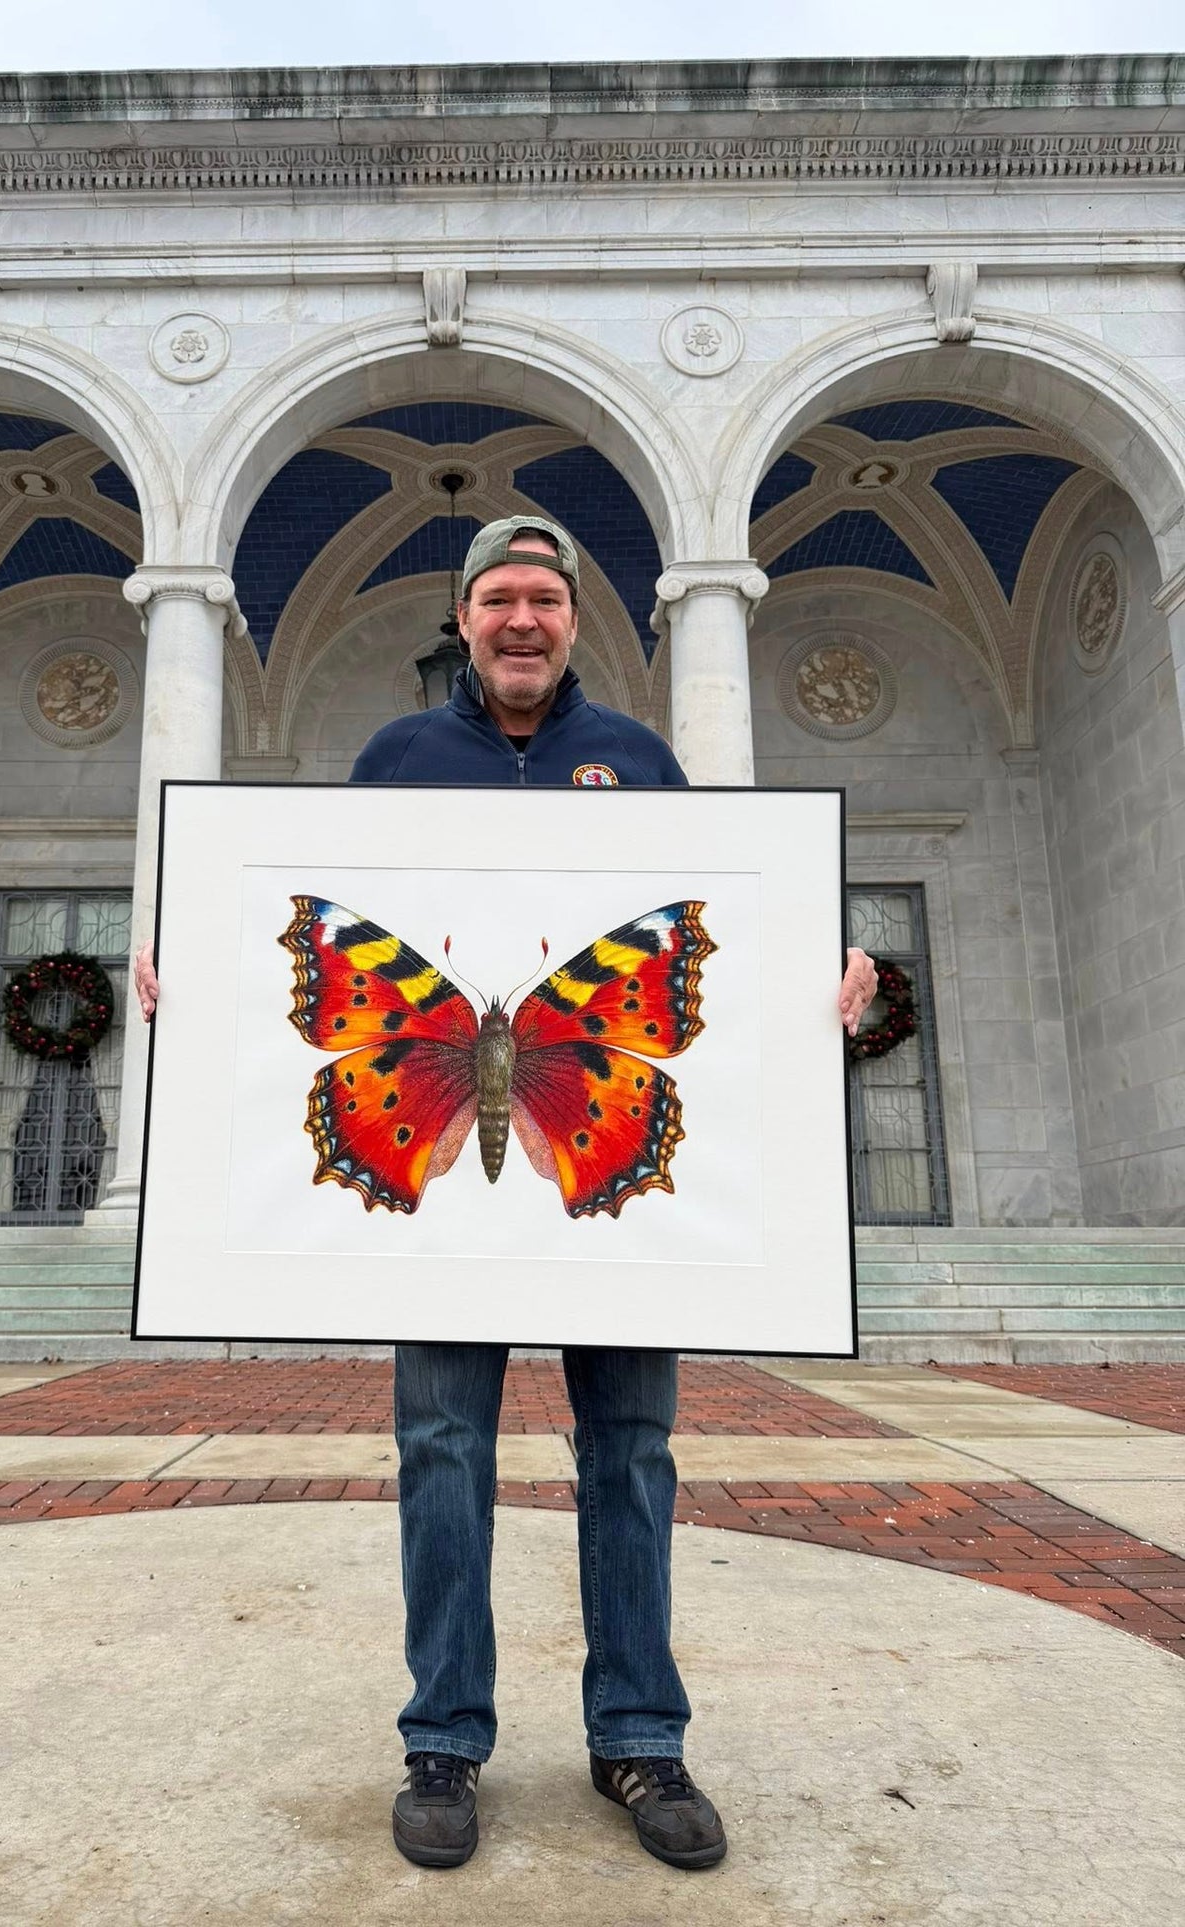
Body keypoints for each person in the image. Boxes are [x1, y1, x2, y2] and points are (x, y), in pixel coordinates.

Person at [134, 515, 878, 1874]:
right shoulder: (395, 757)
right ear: (465, 618)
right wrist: (191, 965)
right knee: (440, 1451)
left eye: (543, 597)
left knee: (631, 1452)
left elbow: (716, 922)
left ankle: (639, 1738)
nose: (521, 618)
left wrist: (816, 967)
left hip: (617, 1202)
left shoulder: (640, 759)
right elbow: (304, 922)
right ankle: (443, 1738)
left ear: (574, 618)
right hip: (437, 1213)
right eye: (497, 599)